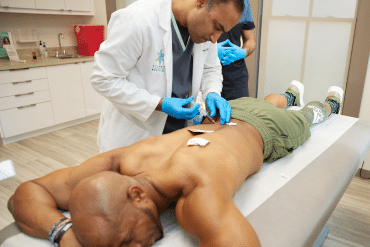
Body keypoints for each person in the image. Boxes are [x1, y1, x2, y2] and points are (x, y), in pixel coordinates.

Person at [8, 81, 344, 247]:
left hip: (266, 131)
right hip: (223, 118)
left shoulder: (196, 193)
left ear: (137, 195)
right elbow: (24, 193)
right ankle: (286, 94)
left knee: (304, 118)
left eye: (127, 242)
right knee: (262, 103)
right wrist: (63, 233)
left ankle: (326, 104)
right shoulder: (118, 162)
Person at [91, 0, 245, 153]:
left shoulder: (204, 31)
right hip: (134, 133)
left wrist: (212, 92)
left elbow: (211, 67)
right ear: (200, 3)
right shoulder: (137, 19)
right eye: (217, 27)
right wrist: (159, 104)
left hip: (176, 133)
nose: (214, 39)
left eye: (221, 31)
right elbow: (104, 79)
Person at [217, 0, 256, 100]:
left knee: (240, 114)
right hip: (205, 72)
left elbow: (250, 40)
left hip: (235, 78)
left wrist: (243, 52)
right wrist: (210, 51)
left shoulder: (244, 2)